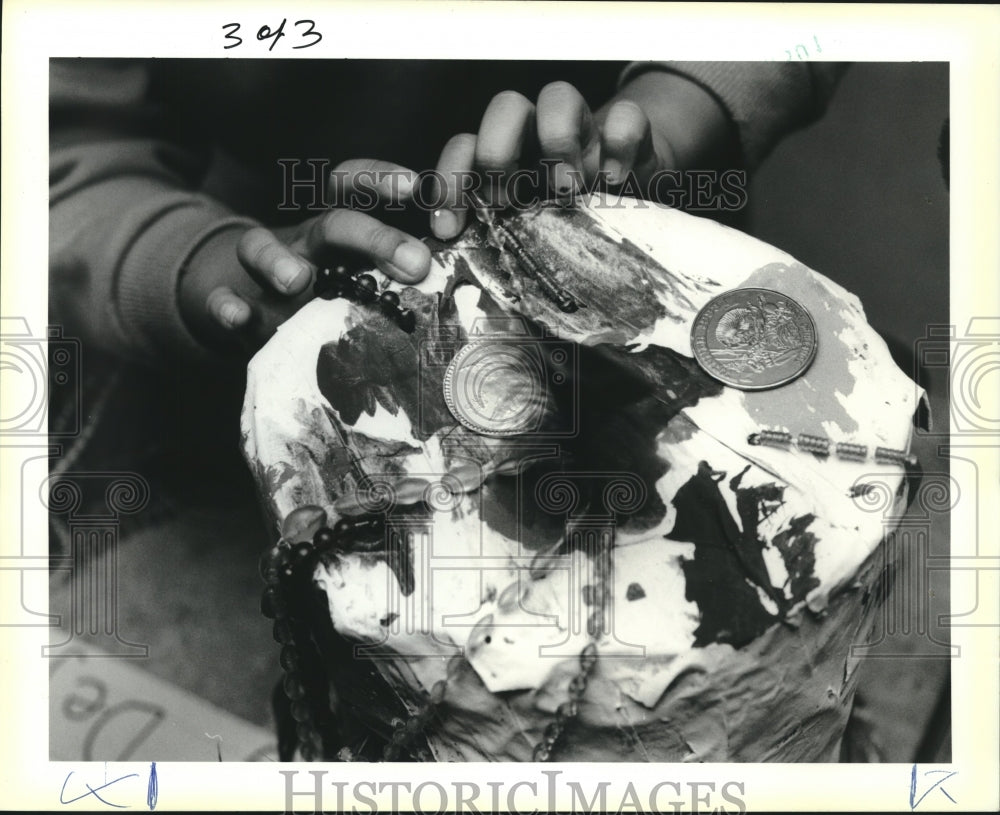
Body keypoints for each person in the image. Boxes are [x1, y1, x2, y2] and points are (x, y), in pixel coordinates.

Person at [50, 60, 846, 367]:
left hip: (645, 228)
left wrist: (670, 118)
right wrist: (208, 269)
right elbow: (60, 161)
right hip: (290, 303)